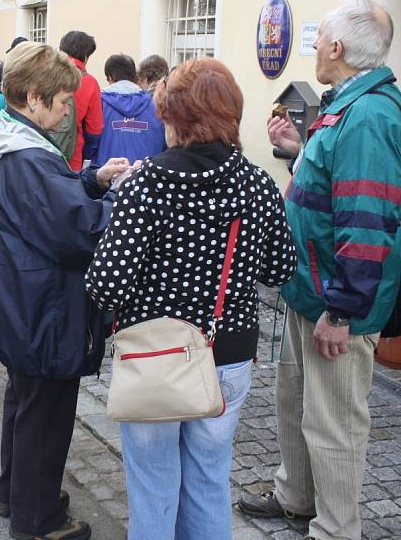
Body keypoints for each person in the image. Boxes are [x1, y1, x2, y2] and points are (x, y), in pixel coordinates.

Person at [86, 58, 297, 540]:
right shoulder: (258, 185)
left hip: (152, 354)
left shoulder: (146, 184)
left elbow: (107, 285)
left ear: (173, 118)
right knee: (207, 480)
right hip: (227, 353)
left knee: (154, 485)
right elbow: (280, 270)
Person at [238, 0, 401, 540]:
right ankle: (296, 496)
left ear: (336, 48)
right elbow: (336, 180)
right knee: (293, 401)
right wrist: (299, 147)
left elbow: (367, 220)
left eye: (317, 40)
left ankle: (336, 528)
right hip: (310, 288)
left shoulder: (371, 116)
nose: (312, 48)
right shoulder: (349, 105)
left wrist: (342, 310)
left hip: (335, 302)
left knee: (333, 422)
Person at [0, 41, 130, 540]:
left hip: (19, 298)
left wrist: (93, 179)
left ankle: (15, 493)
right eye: (63, 102)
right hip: (41, 306)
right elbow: (77, 230)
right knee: (46, 415)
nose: (68, 113)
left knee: (24, 403)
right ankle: (37, 520)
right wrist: (129, 209)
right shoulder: (28, 158)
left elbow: (48, 203)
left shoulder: (11, 141)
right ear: (35, 97)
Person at [85, 53, 166, 166]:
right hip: (145, 178)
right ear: (134, 76)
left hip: (106, 176)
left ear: (110, 77)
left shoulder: (99, 102)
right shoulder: (155, 105)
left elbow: (90, 144)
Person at [56, 31, 104, 171]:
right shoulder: (89, 82)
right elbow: (94, 129)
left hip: (38, 152)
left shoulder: (45, 74)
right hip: (71, 156)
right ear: (85, 56)